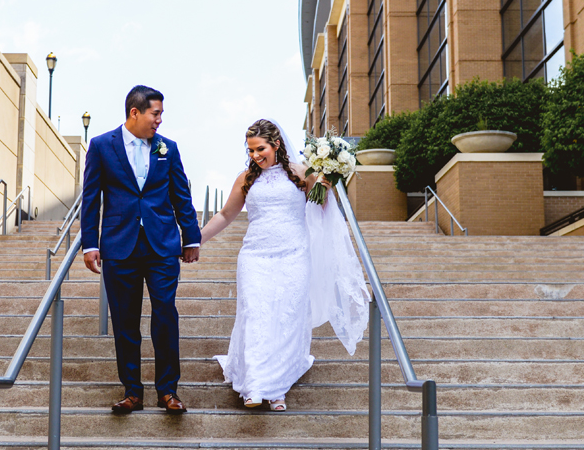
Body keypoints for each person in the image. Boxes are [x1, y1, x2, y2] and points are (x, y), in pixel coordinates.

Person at [200, 119, 368, 411]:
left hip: (294, 254)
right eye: (251, 150)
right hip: (255, 256)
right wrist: (195, 240)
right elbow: (226, 215)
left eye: (260, 149)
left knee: (287, 318)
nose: (255, 156)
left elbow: (321, 210)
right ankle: (254, 383)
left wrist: (326, 184)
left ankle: (277, 387)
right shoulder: (245, 178)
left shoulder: (302, 173)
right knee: (256, 313)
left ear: (276, 145)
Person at [80, 86, 201, 415]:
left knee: (165, 314)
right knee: (124, 320)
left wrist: (191, 238)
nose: (159, 120)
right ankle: (132, 390)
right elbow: (91, 199)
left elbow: (181, 196)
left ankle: (168, 391)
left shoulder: (168, 149)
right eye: (155, 113)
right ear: (135, 112)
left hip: (161, 245)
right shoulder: (102, 146)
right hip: (119, 245)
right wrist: (89, 243)